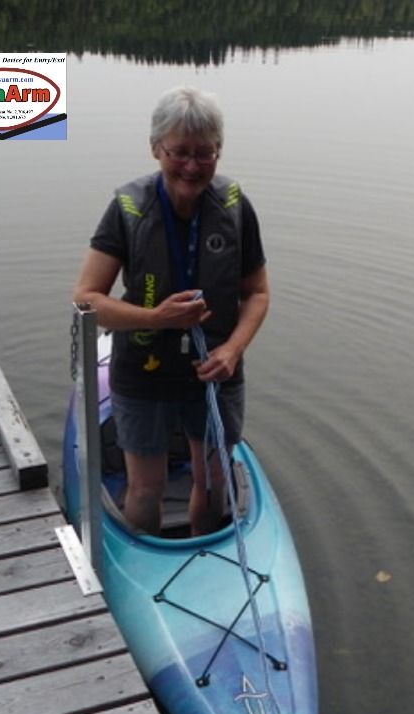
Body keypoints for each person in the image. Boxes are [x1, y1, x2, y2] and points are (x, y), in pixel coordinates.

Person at [73, 85, 269, 536]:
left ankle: (207, 556)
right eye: (179, 152)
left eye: (206, 153)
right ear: (155, 148)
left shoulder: (235, 207)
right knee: (145, 487)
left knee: (214, 479)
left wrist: (234, 350)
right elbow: (86, 297)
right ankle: (145, 562)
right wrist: (154, 319)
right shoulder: (129, 208)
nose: (192, 166)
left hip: (215, 370)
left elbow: (257, 292)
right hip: (143, 370)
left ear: (219, 151)